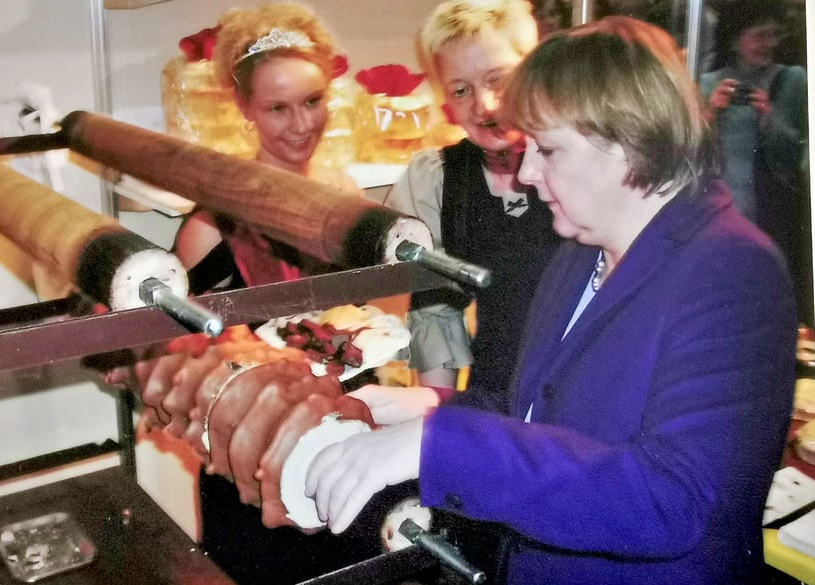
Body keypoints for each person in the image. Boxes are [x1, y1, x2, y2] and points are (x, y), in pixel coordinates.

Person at [306, 16, 796, 584]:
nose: (527, 170)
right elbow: (542, 415)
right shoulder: (580, 254)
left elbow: (668, 500)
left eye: (547, 148)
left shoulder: (732, 269)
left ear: (627, 143)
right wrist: (431, 408)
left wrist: (438, 447)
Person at [382, 0, 561, 410]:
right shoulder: (439, 179)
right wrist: (440, 417)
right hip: (495, 397)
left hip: (580, 395)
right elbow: (435, 310)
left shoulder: (576, 161)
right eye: (461, 90)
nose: (485, 105)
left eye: (499, 80)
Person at [175, 3, 360, 295]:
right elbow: (191, 325)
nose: (302, 125)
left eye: (312, 101)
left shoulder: (347, 194)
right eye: (278, 108)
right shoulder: (212, 228)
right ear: (244, 106)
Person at [700, 1, 809, 325]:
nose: (768, 44)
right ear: (736, 40)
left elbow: (794, 156)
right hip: (717, 212)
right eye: (759, 36)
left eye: (773, 35)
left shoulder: (791, 80)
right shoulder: (707, 83)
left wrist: (769, 118)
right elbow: (690, 152)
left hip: (768, 215)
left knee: (764, 301)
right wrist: (710, 113)